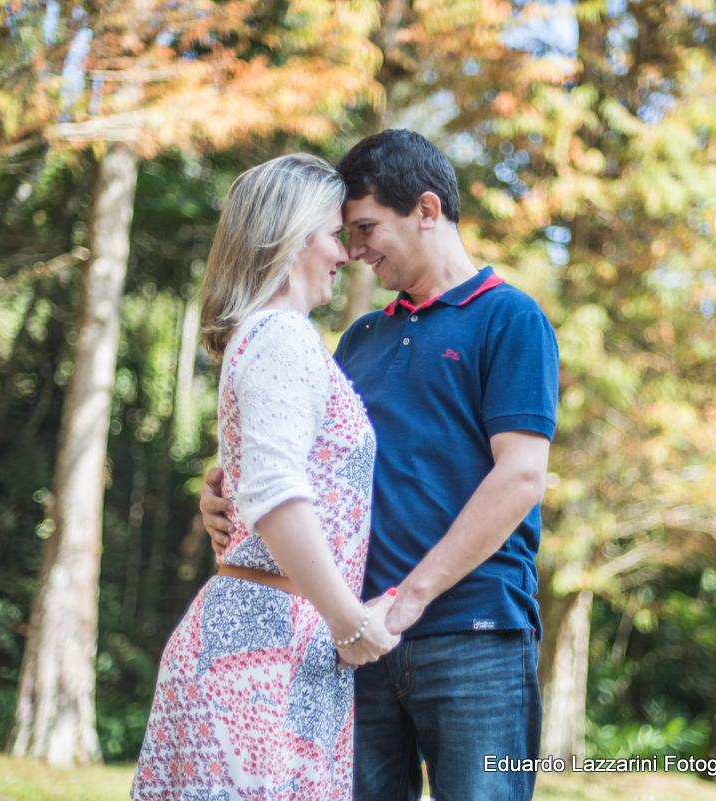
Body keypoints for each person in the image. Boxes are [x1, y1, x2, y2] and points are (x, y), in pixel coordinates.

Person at [201, 130, 560, 801]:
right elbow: (296, 464)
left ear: (428, 209)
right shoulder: (360, 337)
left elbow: (519, 478)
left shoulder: (511, 320)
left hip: (474, 634)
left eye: (366, 228)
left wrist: (407, 599)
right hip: (353, 640)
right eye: (345, 232)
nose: (354, 249)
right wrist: (218, 491)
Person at [131, 154, 400, 801]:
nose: (346, 252)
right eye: (336, 234)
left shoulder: (276, 336)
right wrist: (350, 622)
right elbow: (277, 495)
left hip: (280, 647)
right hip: (260, 655)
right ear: (293, 234)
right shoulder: (281, 333)